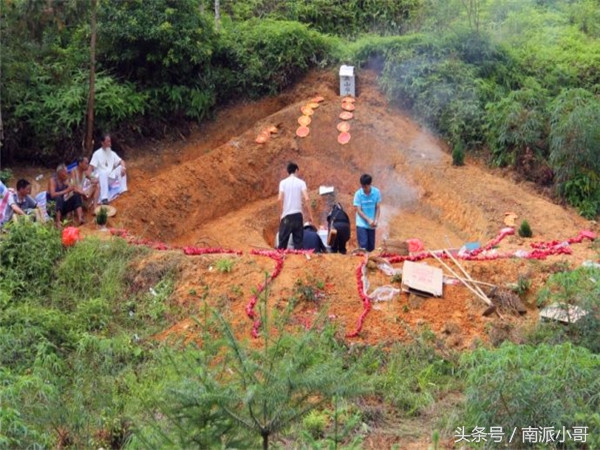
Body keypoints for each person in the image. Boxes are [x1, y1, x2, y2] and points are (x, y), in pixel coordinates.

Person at [277, 162, 313, 250]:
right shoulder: (301, 183)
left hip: (286, 217)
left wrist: (281, 214)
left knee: (282, 243)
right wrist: (310, 215)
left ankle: (282, 261)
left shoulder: (283, 183)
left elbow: (279, 199)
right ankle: (299, 262)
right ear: (296, 170)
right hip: (298, 216)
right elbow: (307, 199)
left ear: (288, 172)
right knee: (298, 244)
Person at [90, 133, 128, 205]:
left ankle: (123, 190)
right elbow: (90, 168)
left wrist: (123, 168)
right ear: (102, 143)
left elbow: (121, 161)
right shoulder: (96, 154)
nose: (110, 143)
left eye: (110, 141)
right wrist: (92, 178)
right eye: (108, 141)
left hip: (109, 178)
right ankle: (104, 198)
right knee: (103, 172)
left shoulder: (112, 153)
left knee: (120, 168)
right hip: (100, 179)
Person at [353, 173, 381, 252]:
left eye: (365, 186)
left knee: (371, 247)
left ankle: (369, 263)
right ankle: (363, 263)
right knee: (363, 246)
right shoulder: (358, 194)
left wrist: (375, 220)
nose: (364, 188)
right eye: (362, 186)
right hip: (361, 224)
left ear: (370, 184)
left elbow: (378, 207)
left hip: (371, 225)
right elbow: (358, 210)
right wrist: (368, 220)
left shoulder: (376, 192)